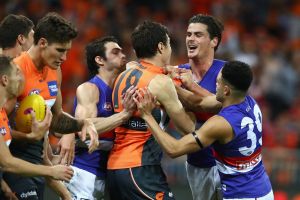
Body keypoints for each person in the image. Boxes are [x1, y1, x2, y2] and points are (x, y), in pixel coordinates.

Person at [135, 61, 274, 200]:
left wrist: (147, 116)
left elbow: (174, 149)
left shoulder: (220, 124)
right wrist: (172, 86)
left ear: (226, 90)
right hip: (263, 188)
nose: (215, 85)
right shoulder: (249, 101)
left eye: (218, 82)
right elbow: (201, 103)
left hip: (241, 195)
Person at [3, 12, 98, 200]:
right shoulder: (16, 72)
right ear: (43, 43)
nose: (64, 57)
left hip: (37, 162)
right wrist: (29, 136)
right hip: (12, 163)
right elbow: (1, 126)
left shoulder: (55, 71)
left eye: (67, 51)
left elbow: (56, 119)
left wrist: (82, 124)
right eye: (60, 50)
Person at [107, 20, 195, 200]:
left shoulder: (122, 75)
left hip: (115, 167)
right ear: (161, 47)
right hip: (141, 168)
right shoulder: (161, 83)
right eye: (169, 44)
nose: (170, 49)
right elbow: (188, 128)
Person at [65, 36, 136, 199]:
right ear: (99, 60)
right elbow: (85, 127)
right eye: (115, 52)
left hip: (111, 175)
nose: (123, 55)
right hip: (84, 172)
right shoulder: (89, 88)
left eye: (122, 52)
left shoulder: (122, 91)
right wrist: (124, 115)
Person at [0, 55, 74, 198]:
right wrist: (51, 171)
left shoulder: (3, 113)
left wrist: (6, 190)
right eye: (17, 73)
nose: (23, 78)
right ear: (5, 80)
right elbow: (7, 162)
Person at [174, 14, 225, 200]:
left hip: (227, 161)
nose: (190, 39)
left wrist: (191, 87)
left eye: (198, 35)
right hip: (197, 162)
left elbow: (225, 105)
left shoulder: (227, 72)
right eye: (188, 34)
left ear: (214, 41)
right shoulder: (176, 73)